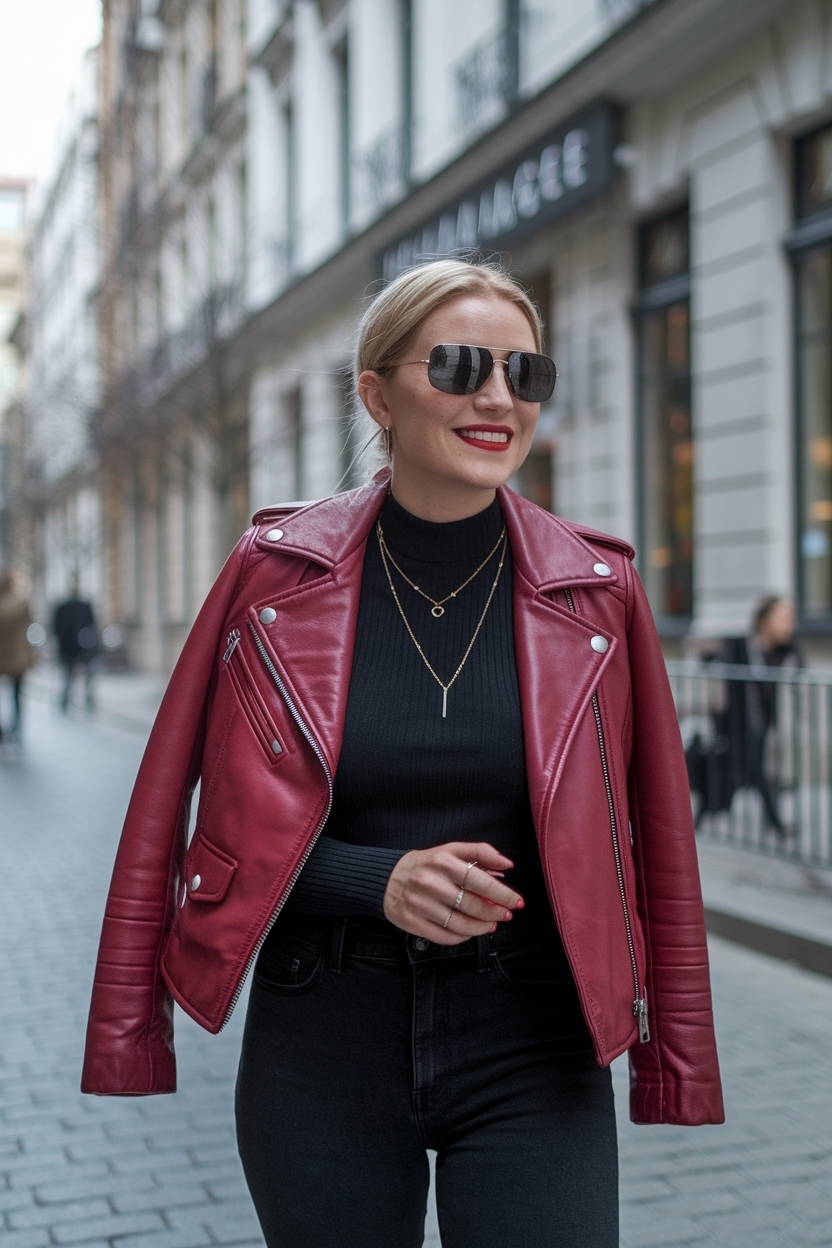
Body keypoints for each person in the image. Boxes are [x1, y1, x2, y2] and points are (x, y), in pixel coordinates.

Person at [81, 260, 723, 1248]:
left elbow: (660, 845)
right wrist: (371, 879)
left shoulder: (597, 591)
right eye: (462, 367)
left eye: (526, 373)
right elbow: (182, 814)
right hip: (324, 1030)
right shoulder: (273, 574)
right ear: (375, 393)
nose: (499, 399)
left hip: (535, 1034)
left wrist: (676, 1059)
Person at [718, 595, 803, 836]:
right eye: (784, 617)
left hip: (762, 725)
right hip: (735, 725)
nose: (791, 624)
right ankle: (773, 822)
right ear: (766, 620)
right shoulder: (740, 646)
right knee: (745, 772)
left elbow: (800, 671)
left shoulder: (783, 650)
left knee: (748, 773)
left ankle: (705, 817)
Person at [53, 578, 97, 712]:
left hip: (82, 647)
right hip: (71, 647)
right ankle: (65, 702)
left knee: (85, 676)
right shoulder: (65, 607)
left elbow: (91, 625)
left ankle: (85, 701)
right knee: (68, 676)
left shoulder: (83, 606)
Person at [0, 569, 33, 743]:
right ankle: (17, 727)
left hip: (3, 656)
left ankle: (7, 729)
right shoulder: (21, 603)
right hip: (17, 656)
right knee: (17, 694)